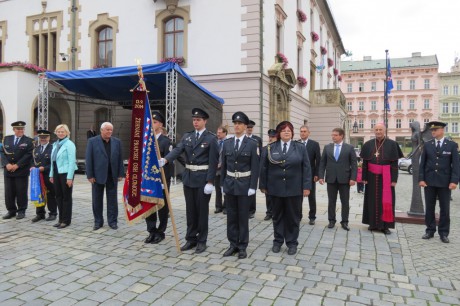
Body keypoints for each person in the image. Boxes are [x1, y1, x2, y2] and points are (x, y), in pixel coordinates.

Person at [160, 108, 218, 254]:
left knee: (202, 211)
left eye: (198, 120)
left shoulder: (211, 138)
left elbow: (213, 162)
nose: (195, 122)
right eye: (194, 120)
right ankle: (190, 238)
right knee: (190, 211)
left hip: (203, 179)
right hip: (189, 178)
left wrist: (210, 182)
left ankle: (202, 240)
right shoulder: (187, 136)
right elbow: (177, 150)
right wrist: (166, 159)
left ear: (205, 121)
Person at [259, 121, 311, 255]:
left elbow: (306, 168)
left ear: (292, 133)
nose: (286, 132)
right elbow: (263, 168)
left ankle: (292, 243)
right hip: (275, 189)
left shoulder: (300, 147)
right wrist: (263, 185)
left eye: (289, 130)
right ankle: (277, 241)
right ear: (279, 133)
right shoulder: (270, 148)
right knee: (277, 216)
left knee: (293, 217)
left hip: (294, 189)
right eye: (283, 130)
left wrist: (306, 186)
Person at [221, 112, 260, 259]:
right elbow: (224, 166)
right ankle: (233, 244)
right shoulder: (227, 143)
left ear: (245, 126)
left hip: (244, 186)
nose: (237, 126)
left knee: (243, 217)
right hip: (230, 184)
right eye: (235, 123)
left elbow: (255, 168)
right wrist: (222, 184)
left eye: (240, 124)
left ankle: (242, 246)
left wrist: (252, 187)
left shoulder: (252, 144)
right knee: (231, 216)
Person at [419, 121, 459, 243]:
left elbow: (456, 165)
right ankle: (430, 230)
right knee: (430, 207)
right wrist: (421, 179)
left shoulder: (452, 145)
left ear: (442, 130)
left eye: (435, 130)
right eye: (432, 130)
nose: (433, 132)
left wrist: (454, 181)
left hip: (445, 182)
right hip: (429, 182)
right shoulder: (428, 145)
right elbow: (423, 164)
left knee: (445, 208)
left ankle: (443, 232)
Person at [360, 123, 403, 235]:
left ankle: (385, 226)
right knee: (371, 200)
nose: (378, 131)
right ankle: (372, 224)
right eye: (376, 129)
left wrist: (394, 179)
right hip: (371, 176)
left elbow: (394, 164)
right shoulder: (368, 144)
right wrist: (364, 177)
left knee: (386, 201)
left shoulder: (392, 144)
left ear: (384, 131)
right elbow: (365, 163)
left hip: (386, 177)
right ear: (374, 131)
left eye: (380, 129)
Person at [86, 122, 125, 230]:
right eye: (107, 130)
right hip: (97, 176)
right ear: (101, 130)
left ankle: (112, 222)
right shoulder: (92, 141)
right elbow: (89, 159)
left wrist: (121, 173)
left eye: (111, 130)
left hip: (112, 176)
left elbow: (119, 158)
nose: (109, 132)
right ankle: (98, 222)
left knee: (112, 200)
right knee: (97, 200)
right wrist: (90, 175)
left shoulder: (117, 142)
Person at [319, 127, 357, 231]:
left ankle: (344, 222)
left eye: (335, 135)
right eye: (332, 135)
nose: (333, 137)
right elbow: (322, 163)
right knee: (331, 201)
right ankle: (331, 221)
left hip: (345, 179)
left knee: (345, 202)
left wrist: (353, 178)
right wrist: (321, 176)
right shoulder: (327, 147)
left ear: (341, 136)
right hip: (331, 179)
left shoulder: (349, 148)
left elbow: (354, 164)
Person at [144, 112, 173, 244]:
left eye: (155, 122)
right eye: (152, 122)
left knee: (162, 207)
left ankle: (161, 231)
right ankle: (151, 230)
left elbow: (169, 164)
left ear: (161, 125)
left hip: (161, 181)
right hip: (149, 180)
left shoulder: (166, 142)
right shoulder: (147, 140)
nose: (152, 125)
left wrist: (164, 181)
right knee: (149, 205)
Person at [0, 121, 34, 220]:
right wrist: (7, 164)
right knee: (9, 192)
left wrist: (18, 165)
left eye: (22, 129)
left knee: (21, 191)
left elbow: (29, 154)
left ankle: (21, 210)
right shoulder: (6, 139)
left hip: (21, 171)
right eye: (18, 129)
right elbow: (2, 153)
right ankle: (11, 210)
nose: (21, 130)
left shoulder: (28, 141)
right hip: (8, 170)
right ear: (14, 130)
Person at [49, 124, 77, 229]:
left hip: (66, 173)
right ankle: (60, 219)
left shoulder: (69, 144)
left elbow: (71, 162)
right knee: (58, 196)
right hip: (56, 172)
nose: (60, 133)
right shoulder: (55, 144)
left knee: (66, 197)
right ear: (56, 132)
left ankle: (66, 220)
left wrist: (70, 177)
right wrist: (51, 174)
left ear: (67, 133)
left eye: (62, 131)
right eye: (58, 131)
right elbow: (52, 161)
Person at [30, 129, 57, 222]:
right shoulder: (35, 149)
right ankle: (40, 214)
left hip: (48, 175)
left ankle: (53, 213)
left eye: (45, 137)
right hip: (37, 176)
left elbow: (54, 163)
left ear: (49, 137)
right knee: (39, 194)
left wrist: (44, 168)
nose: (43, 139)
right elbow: (32, 161)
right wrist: (32, 167)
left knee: (50, 194)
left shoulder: (53, 148)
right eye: (41, 137)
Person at [298, 125, 321, 225]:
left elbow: (318, 160)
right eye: (301, 131)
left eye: (304, 131)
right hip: (297, 174)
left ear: (308, 133)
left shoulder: (314, 144)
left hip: (310, 175)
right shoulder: (296, 143)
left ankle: (312, 217)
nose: (302, 133)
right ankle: (298, 215)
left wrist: (317, 174)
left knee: (311, 197)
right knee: (298, 197)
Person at [246, 120, 262, 219]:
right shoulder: (243, 139)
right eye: (248, 127)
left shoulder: (257, 139)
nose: (250, 129)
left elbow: (259, 154)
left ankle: (252, 210)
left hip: (253, 167)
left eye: (251, 127)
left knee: (252, 190)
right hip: (244, 167)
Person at [263, 128, 277, 221]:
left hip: (277, 176)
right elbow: (262, 165)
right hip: (268, 177)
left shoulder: (278, 148)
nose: (271, 138)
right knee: (268, 196)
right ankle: (269, 212)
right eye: (270, 136)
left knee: (276, 197)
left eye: (273, 137)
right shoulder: (265, 149)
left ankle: (276, 212)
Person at [214, 126, 227, 214]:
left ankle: (226, 207)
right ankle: (218, 206)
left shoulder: (228, 143)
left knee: (225, 189)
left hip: (225, 169)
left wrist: (222, 164)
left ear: (225, 133)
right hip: (216, 170)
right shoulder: (215, 142)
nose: (218, 134)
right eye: (217, 132)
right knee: (217, 189)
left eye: (220, 132)